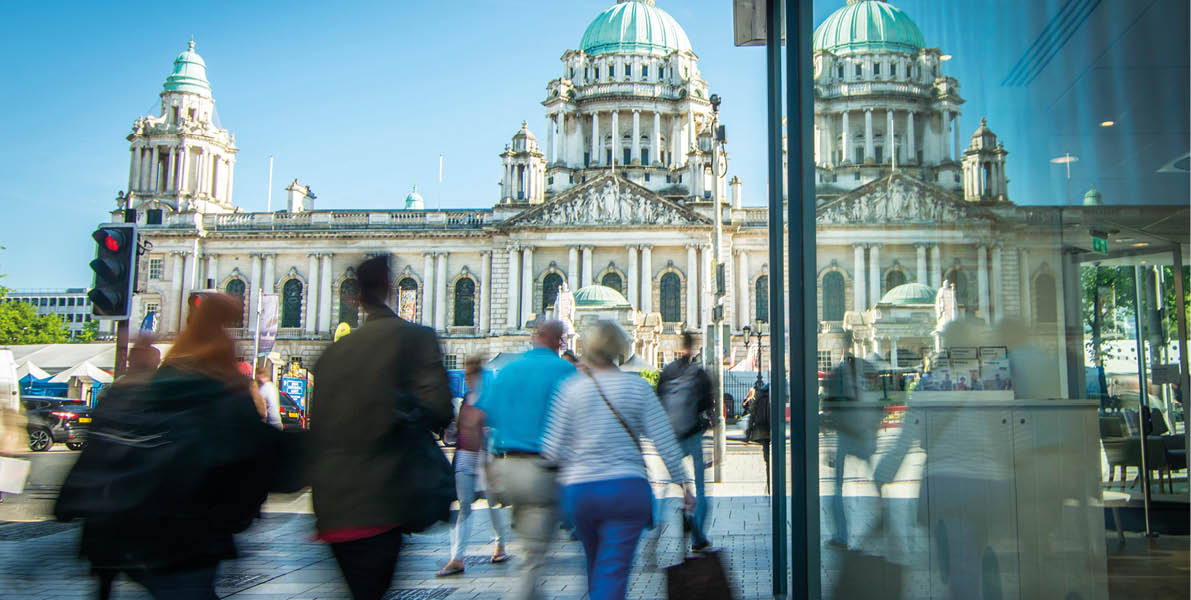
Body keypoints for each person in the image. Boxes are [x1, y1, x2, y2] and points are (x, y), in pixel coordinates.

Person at [62, 294, 277, 600]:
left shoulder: (164, 379)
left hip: (153, 518)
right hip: (193, 525)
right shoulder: (227, 387)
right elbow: (252, 452)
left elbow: (107, 447)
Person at [310, 255, 453, 600]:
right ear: (389, 287)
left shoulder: (331, 354)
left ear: (355, 295)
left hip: (331, 505)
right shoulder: (414, 338)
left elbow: (318, 430)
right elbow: (439, 410)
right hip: (384, 498)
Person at [542, 320, 693, 600]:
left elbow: (551, 449)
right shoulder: (636, 387)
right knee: (612, 570)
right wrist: (684, 483)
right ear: (619, 348)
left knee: (595, 565)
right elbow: (664, 440)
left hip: (580, 491)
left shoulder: (570, 389)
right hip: (626, 489)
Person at [475, 319, 575, 600]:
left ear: (535, 337)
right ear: (559, 340)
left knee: (527, 542)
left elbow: (481, 416)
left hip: (505, 468)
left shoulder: (509, 370)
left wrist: (487, 467)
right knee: (533, 558)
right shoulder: (565, 371)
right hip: (540, 470)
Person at [437, 355, 510, 577]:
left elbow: (496, 429)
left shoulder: (488, 401)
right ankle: (457, 557)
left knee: (492, 504)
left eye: (470, 375)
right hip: (464, 459)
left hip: (483, 459)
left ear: (478, 376)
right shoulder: (466, 400)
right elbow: (458, 431)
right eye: (466, 375)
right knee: (464, 507)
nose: (467, 379)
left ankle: (500, 544)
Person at [653, 331, 713, 552]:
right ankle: (698, 537)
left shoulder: (668, 372)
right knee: (701, 489)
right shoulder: (699, 374)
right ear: (694, 346)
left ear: (680, 346)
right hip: (693, 436)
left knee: (669, 485)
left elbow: (658, 402)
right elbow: (707, 406)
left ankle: (657, 525)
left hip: (672, 437)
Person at [744, 384, 772, 493]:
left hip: (762, 430)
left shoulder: (759, 395)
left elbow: (752, 416)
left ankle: (769, 484)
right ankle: (773, 483)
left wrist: (748, 434)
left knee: (767, 458)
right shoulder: (775, 393)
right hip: (773, 430)